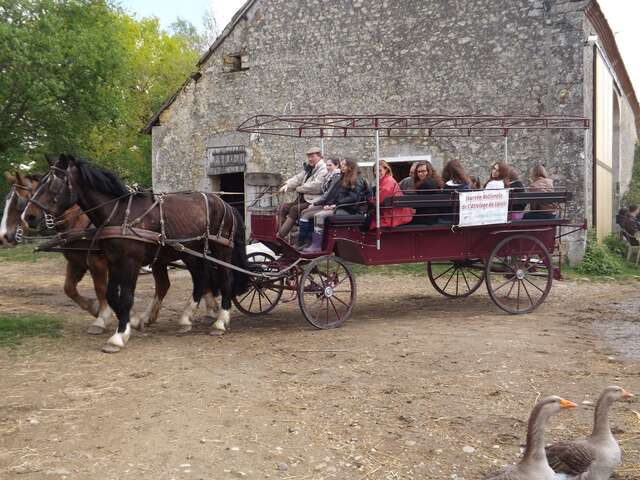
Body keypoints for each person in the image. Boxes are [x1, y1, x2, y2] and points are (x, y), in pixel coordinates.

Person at [303, 158, 368, 252]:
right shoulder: (343, 177)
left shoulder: (357, 180)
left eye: (343, 165)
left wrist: (335, 205)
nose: (341, 167)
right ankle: (312, 241)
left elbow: (353, 198)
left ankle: (317, 245)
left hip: (350, 210)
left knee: (319, 216)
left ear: (350, 167)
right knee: (314, 214)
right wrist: (330, 204)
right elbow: (336, 195)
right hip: (341, 207)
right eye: (341, 165)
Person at [277, 147, 328, 239]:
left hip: (314, 200)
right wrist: (287, 185)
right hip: (304, 198)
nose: (310, 159)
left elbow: (316, 186)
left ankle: (280, 236)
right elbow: (297, 178)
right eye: (308, 157)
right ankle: (289, 232)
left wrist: (299, 188)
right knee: (283, 207)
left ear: (320, 157)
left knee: (295, 209)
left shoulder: (323, 169)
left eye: (312, 156)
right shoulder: (309, 169)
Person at [296, 158, 340, 248]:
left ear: (337, 165)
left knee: (314, 215)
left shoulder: (336, 176)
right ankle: (305, 241)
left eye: (330, 165)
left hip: (333, 205)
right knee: (304, 212)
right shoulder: (329, 176)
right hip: (327, 203)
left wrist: (316, 204)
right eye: (327, 165)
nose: (327, 167)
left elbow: (329, 194)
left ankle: (314, 244)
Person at [369, 160, 412, 229]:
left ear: (386, 169)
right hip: (392, 212)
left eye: (380, 170)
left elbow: (379, 200)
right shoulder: (385, 180)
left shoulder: (388, 182)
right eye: (375, 171)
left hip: (393, 215)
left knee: (368, 221)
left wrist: (369, 201)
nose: (377, 173)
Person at [439, 159, 470, 223]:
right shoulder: (466, 186)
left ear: (446, 172)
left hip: (446, 219)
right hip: (462, 219)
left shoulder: (445, 187)